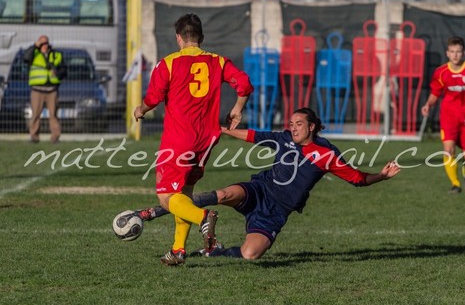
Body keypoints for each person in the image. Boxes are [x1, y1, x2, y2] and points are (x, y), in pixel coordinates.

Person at [135, 108, 401, 261]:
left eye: (299, 124)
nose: (293, 128)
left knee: (251, 254)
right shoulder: (283, 138)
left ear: (312, 126)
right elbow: (252, 135)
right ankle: (160, 209)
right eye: (291, 124)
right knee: (225, 193)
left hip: (276, 212)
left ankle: (213, 251)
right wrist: (224, 130)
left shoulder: (327, 154)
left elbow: (357, 179)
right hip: (260, 190)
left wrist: (382, 176)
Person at [133, 13, 253, 266]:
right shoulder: (217, 61)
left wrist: (140, 111)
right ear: (201, 37)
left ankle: (203, 217)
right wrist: (237, 109)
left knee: (167, 197)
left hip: (179, 140)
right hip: (207, 140)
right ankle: (178, 250)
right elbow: (244, 83)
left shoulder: (168, 63)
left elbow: (153, 99)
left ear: (179, 37)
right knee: (183, 194)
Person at [421, 36, 465, 194]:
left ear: (464, 53)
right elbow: (435, 93)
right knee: (448, 150)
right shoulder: (441, 72)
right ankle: (455, 184)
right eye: (452, 52)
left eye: (458, 52)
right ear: (447, 53)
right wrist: (428, 104)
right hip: (449, 116)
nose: (455, 55)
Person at [23, 35, 67, 143]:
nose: (44, 45)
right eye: (41, 43)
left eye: (45, 43)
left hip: (52, 90)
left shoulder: (57, 55)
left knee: (53, 115)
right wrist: (35, 46)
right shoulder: (34, 54)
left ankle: (55, 137)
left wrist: (57, 73)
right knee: (35, 115)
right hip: (37, 90)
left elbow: (64, 70)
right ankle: (34, 137)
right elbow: (25, 58)